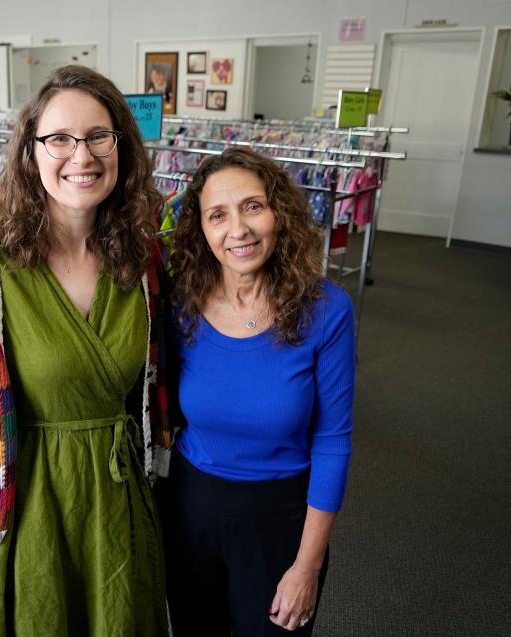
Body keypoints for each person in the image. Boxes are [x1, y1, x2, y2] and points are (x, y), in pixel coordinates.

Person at [0, 65, 173, 635]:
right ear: (31, 153)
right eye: (59, 138)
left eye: (98, 136)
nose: (80, 156)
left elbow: (159, 387)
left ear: (121, 147)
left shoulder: (144, 260)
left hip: (116, 509)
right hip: (18, 511)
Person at [162, 148, 356, 635]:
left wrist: (307, 567)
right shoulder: (180, 303)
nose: (238, 230)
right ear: (201, 230)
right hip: (190, 512)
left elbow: (333, 442)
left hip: (280, 523)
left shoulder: (326, 310)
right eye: (218, 215)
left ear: (280, 213)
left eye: (253, 207)